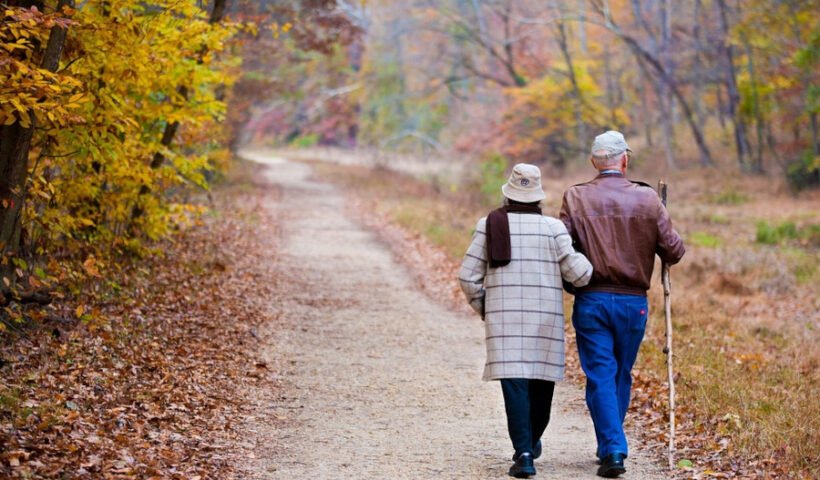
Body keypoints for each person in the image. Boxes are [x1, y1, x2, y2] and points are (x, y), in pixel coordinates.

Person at [560, 131, 685, 478]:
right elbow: (674, 251)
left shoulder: (575, 197)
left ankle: (611, 446)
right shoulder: (647, 199)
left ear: (593, 162)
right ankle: (612, 446)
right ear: (625, 160)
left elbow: (561, 246)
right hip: (633, 304)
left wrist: (573, 276)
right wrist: (658, 218)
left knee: (601, 374)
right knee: (618, 373)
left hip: (592, 298)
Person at [459, 163, 593, 478]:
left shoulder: (489, 225)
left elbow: (467, 276)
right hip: (544, 319)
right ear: (538, 197)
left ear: (508, 194)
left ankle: (524, 452)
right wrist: (586, 256)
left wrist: (485, 307)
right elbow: (580, 275)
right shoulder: (553, 229)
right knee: (540, 385)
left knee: (514, 385)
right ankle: (530, 443)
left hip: (504, 322)